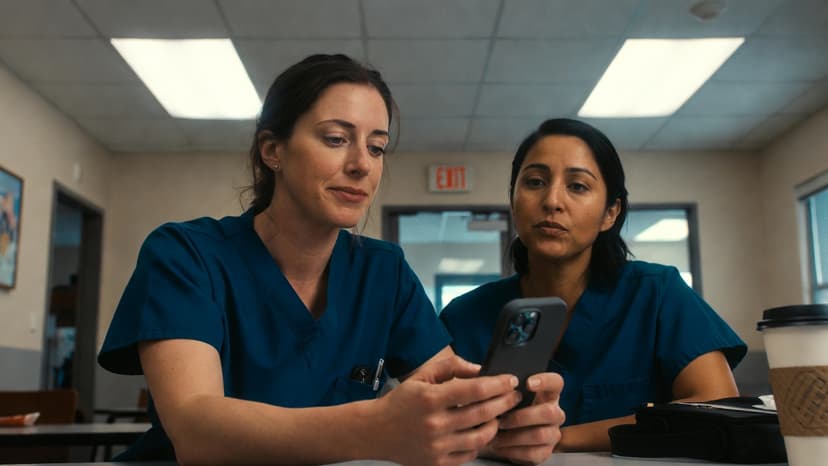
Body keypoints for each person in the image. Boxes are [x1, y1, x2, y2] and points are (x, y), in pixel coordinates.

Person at [98, 54, 564, 465]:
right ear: (273, 150)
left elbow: (442, 396)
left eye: (377, 147)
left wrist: (493, 425)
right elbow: (196, 431)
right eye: (337, 138)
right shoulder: (186, 255)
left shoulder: (384, 273)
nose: (363, 164)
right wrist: (375, 428)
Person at [440, 118, 746, 452]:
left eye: (578, 186)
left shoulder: (657, 294)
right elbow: (434, 426)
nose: (553, 200)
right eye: (535, 181)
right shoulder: (464, 317)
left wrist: (556, 439)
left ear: (610, 213)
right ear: (513, 201)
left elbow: (717, 405)